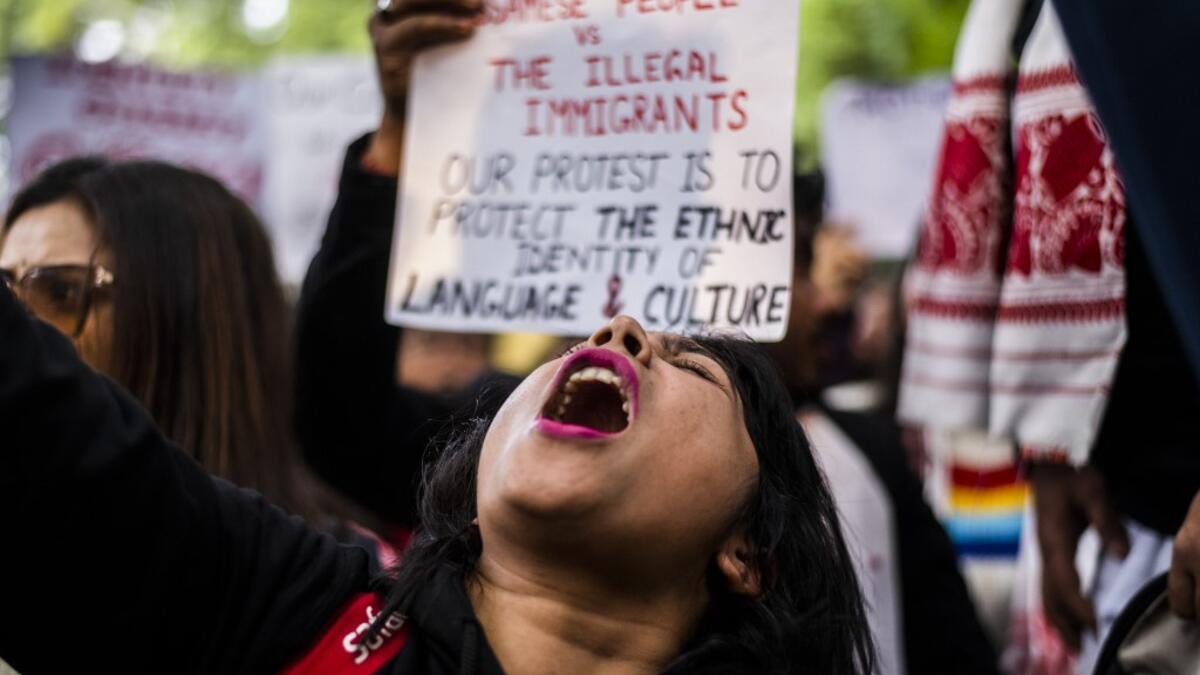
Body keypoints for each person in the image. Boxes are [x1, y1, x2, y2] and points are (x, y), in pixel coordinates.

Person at [0, 280, 875, 673]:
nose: (620, 330)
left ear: (749, 550)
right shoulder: (284, 608)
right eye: (592, 338)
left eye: (689, 364)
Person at [0, 157, 375, 544]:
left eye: (60, 293)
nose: (22, 332)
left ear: (183, 320)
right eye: (7, 295)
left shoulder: (353, 584)